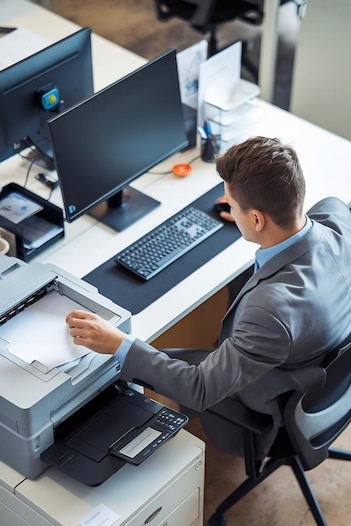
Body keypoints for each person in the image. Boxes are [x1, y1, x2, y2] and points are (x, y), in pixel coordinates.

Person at [66, 136, 351, 458]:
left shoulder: (271, 311)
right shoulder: (337, 217)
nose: (227, 206)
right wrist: (253, 223)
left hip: (269, 403)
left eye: (231, 204)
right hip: (327, 370)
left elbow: (199, 388)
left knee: (160, 354)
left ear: (257, 218)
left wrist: (118, 344)